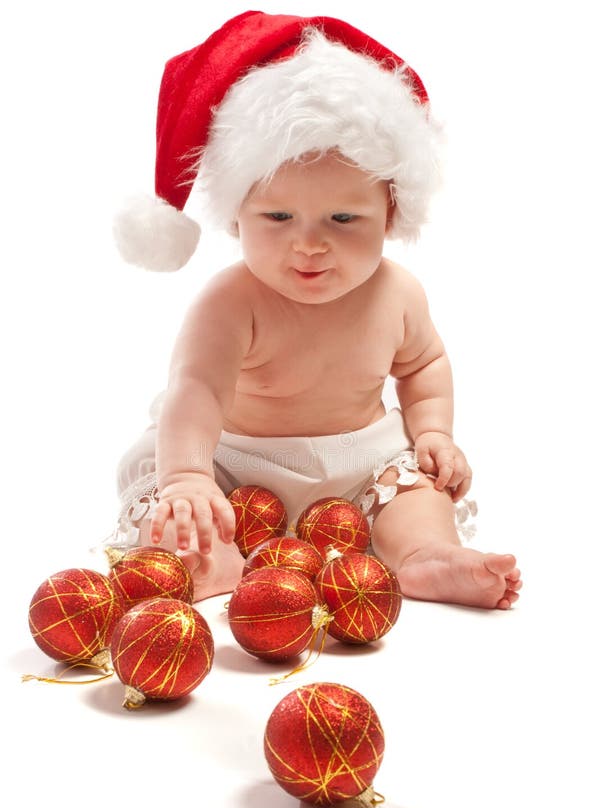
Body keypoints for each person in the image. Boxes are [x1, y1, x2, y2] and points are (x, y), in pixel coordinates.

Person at [112, 11, 521, 609]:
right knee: (172, 509)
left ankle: (425, 555)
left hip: (361, 460)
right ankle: (207, 557)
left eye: (344, 219)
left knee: (415, 490)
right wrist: (189, 476)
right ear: (236, 217)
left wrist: (434, 431)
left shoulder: (398, 293)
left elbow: (425, 365)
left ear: (391, 212)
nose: (309, 244)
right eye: (278, 218)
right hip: (231, 459)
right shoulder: (230, 302)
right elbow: (195, 390)